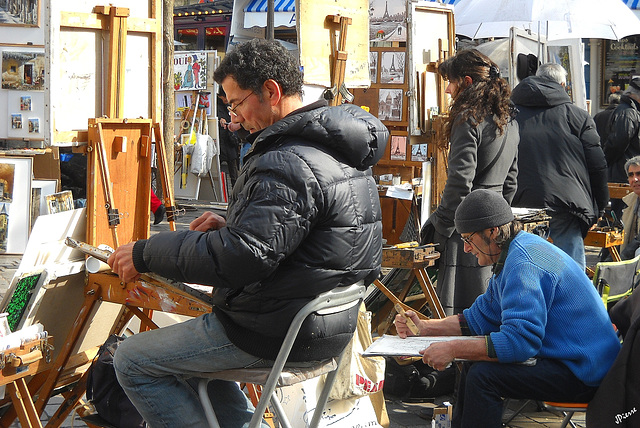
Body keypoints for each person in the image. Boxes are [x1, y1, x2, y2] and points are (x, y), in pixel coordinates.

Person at [106, 38, 388, 427]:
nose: (234, 118)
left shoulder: (288, 160)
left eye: (237, 104)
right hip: (327, 328)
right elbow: (309, 240)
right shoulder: (339, 149)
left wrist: (145, 252)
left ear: (270, 92)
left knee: (133, 359)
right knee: (186, 359)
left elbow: (240, 258)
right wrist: (232, 226)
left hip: (276, 332)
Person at [396, 189, 621, 428]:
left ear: (492, 231)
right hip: (573, 361)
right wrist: (424, 327)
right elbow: (478, 318)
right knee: (474, 364)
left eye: (468, 239)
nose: (466, 249)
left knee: (484, 377)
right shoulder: (515, 250)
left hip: (586, 374)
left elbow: (520, 343)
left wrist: (453, 348)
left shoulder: (523, 263)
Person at [419, 49, 519, 315]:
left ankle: (457, 355)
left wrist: (442, 223)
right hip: (496, 225)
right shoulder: (508, 120)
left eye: (451, 82)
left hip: (468, 227)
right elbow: (511, 180)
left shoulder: (468, 118)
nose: (449, 90)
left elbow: (461, 182)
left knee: (463, 309)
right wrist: (498, 217)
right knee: (490, 306)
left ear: (468, 82)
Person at [511, 63, 608, 271]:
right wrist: (599, 205)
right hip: (566, 202)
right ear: (563, 85)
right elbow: (597, 165)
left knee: (525, 268)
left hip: (520, 202)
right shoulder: (577, 115)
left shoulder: (510, 115)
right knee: (571, 272)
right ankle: (576, 302)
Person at [605, 76, 640, 219]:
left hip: (628, 173)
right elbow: (617, 143)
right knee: (625, 217)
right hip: (624, 175)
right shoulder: (628, 112)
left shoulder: (630, 111)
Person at [216, 87, 241, 186]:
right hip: (223, 141)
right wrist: (220, 120)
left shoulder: (232, 104)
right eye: (223, 98)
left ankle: (235, 191)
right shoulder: (217, 107)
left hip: (230, 141)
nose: (226, 100)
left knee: (234, 172)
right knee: (222, 171)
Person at [619, 155, 640, 259]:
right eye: (631, 175)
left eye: (639, 174)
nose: (635, 179)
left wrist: (620, 260)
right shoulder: (628, 201)